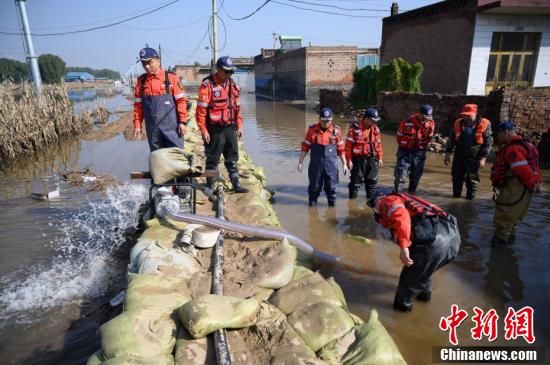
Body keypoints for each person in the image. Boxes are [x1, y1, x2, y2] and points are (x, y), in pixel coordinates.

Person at [368, 189, 461, 312]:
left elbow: (401, 216)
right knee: (423, 273)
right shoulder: (407, 200)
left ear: (380, 198)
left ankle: (401, 320)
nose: (376, 210)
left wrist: (404, 247)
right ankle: (424, 304)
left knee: (405, 290)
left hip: (434, 239)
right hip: (452, 238)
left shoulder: (388, 200)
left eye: (374, 205)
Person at [196, 56, 248, 193]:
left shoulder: (233, 86)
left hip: (230, 128)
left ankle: (236, 184)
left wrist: (240, 125)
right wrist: (204, 130)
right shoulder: (207, 86)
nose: (229, 74)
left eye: (231, 72)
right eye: (226, 71)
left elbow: (237, 109)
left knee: (232, 159)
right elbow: (200, 112)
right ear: (218, 70)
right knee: (212, 160)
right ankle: (209, 185)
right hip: (214, 130)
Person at [490, 121, 542, 245]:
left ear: (505, 132)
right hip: (523, 189)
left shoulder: (514, 149)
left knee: (504, 217)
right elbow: (535, 168)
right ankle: (508, 250)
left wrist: (532, 184)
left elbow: (522, 169)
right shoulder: (525, 145)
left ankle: (498, 252)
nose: (496, 137)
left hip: (515, 188)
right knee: (513, 219)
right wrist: (536, 183)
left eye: (498, 134)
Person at [133, 47, 188, 151]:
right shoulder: (141, 82)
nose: (147, 66)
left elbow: (181, 101)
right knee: (157, 159)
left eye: (150, 62)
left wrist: (182, 122)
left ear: (158, 60)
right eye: (144, 64)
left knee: (176, 157)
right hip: (153, 131)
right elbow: (138, 106)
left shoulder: (171, 78)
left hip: (173, 129)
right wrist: (137, 125)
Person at [298, 107, 348, 206]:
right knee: (314, 189)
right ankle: (312, 212)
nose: (326, 123)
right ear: (319, 119)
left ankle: (332, 211)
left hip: (331, 167)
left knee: (331, 189)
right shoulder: (312, 130)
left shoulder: (336, 131)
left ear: (332, 119)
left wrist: (344, 164)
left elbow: (341, 149)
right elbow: (305, 147)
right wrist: (300, 161)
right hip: (316, 166)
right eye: (324, 121)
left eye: (328, 121)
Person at [444, 104, 493, 200]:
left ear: (475, 114)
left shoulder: (484, 123)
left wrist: (483, 158)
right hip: (459, 155)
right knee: (456, 178)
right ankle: (455, 199)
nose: (465, 117)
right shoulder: (458, 123)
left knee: (472, 180)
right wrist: (447, 154)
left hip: (474, 156)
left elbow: (488, 142)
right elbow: (452, 139)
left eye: (468, 115)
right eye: (464, 115)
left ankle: (469, 202)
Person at [394, 104, 435, 193]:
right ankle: (397, 194)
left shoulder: (430, 123)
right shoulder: (406, 121)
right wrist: (406, 146)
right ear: (419, 114)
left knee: (416, 176)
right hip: (405, 151)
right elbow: (399, 137)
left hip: (419, 152)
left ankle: (412, 194)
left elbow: (429, 138)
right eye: (424, 117)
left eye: (428, 117)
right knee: (401, 175)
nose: (426, 119)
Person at [345, 108, 383, 199]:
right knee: (355, 183)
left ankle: (370, 204)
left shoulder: (375, 129)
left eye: (375, 121)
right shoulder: (354, 128)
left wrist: (380, 157)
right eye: (373, 120)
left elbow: (378, 144)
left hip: (372, 159)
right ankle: (352, 204)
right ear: (366, 119)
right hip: (358, 160)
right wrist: (349, 160)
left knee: (372, 182)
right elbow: (348, 147)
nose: (374, 123)